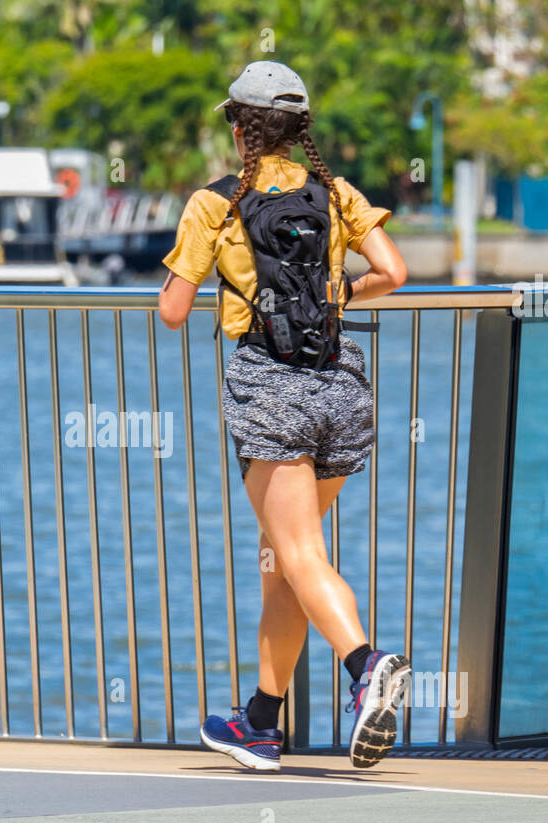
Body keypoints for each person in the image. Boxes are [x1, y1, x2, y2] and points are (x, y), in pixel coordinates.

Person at [157, 61, 410, 771]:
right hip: (339, 387)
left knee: (298, 555)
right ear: (300, 131)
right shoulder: (334, 192)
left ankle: (366, 666)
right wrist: (332, 299)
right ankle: (260, 724)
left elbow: (173, 312)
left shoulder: (215, 201)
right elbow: (394, 272)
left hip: (271, 390)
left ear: (240, 130)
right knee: (285, 564)